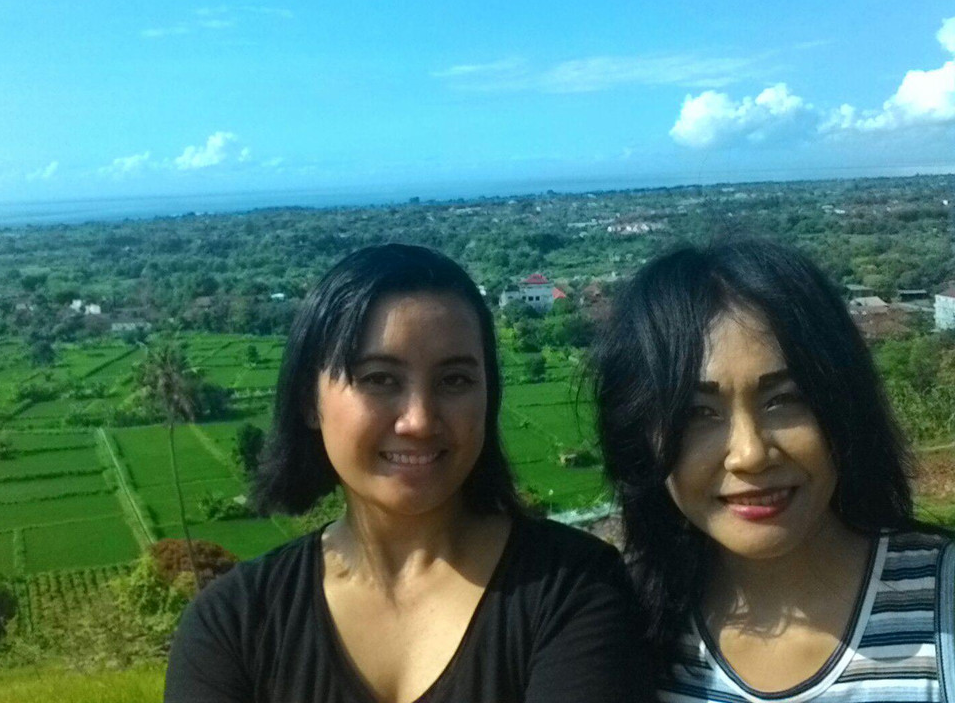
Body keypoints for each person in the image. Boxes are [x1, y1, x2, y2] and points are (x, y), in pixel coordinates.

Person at [165, 243, 654, 703]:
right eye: (379, 379)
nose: (419, 420)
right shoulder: (233, 624)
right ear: (309, 400)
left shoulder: (574, 590)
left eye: (455, 380)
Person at [595, 238, 955, 702]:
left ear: (843, 404)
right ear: (639, 436)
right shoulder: (614, 623)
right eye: (696, 413)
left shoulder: (942, 605)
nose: (750, 454)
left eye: (784, 399)